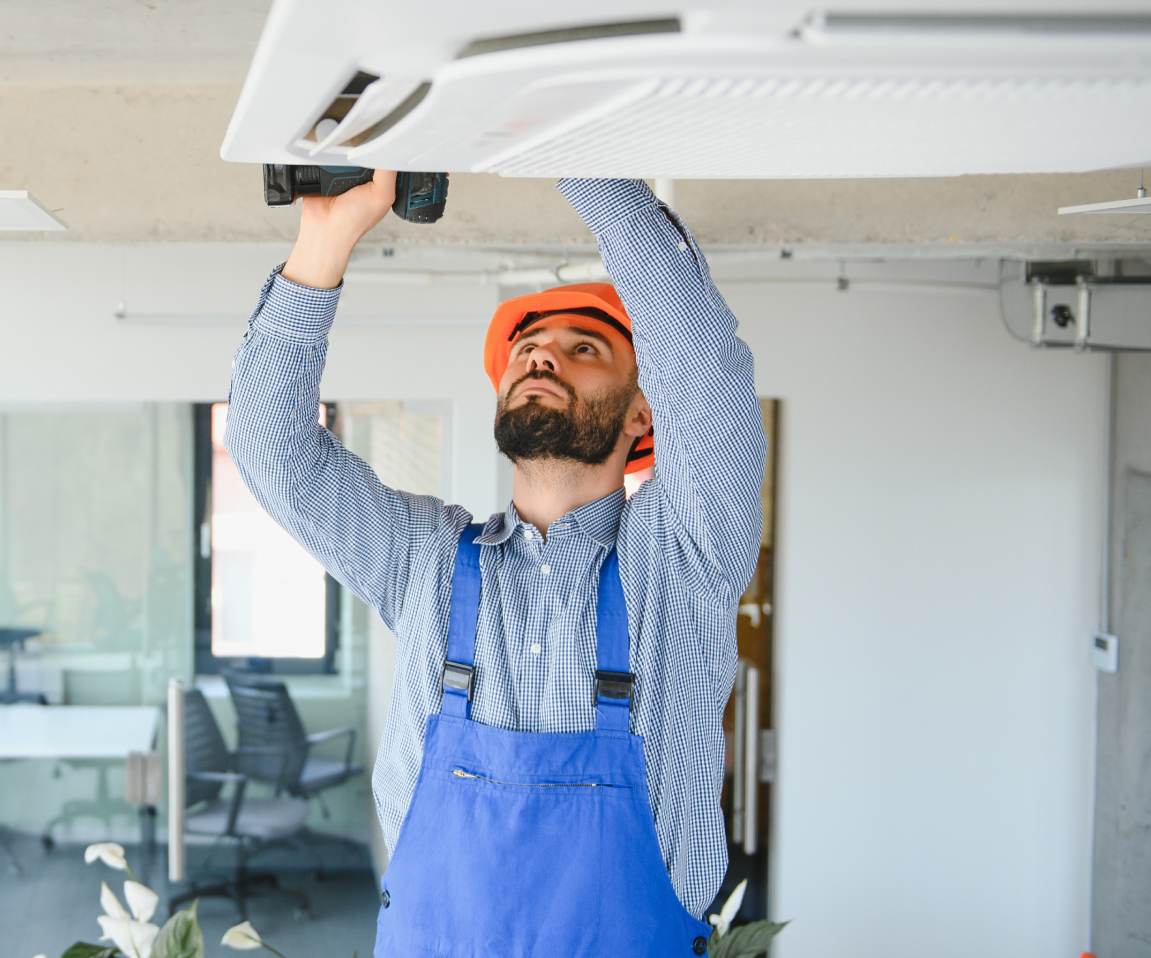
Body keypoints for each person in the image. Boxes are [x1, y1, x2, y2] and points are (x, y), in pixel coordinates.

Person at [223, 171, 765, 957]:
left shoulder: (684, 558)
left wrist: (565, 145)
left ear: (644, 413)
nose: (543, 359)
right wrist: (325, 239)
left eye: (585, 349)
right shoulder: (424, 559)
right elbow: (271, 448)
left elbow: (706, 377)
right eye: (529, 350)